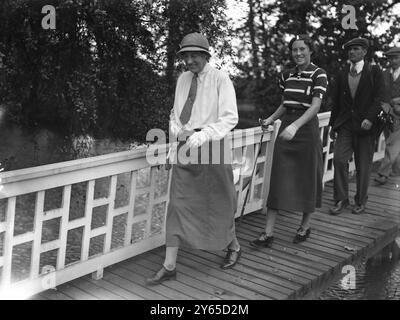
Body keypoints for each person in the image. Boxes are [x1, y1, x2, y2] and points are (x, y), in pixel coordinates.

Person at [146, 33, 241, 285]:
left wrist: (205, 134)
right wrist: (172, 142)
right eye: (186, 56)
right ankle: (169, 266)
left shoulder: (221, 79)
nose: (190, 60)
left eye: (194, 55)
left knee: (218, 202)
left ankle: (233, 245)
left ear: (206, 55)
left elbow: (230, 118)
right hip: (186, 147)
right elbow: (175, 114)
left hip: (213, 146)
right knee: (178, 205)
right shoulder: (183, 79)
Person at [250, 34, 327, 248]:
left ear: (311, 50)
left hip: (305, 129)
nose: (298, 53)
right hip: (287, 128)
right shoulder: (286, 75)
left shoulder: (319, 74)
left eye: (302, 49)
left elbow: (315, 107)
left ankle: (304, 226)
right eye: (295, 50)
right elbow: (285, 104)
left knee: (307, 178)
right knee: (278, 178)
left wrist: (295, 126)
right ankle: (268, 233)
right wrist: (270, 119)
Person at [329, 37, 385, 215]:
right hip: (345, 124)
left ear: (364, 52)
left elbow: (379, 99)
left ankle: (360, 201)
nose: (352, 52)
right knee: (339, 160)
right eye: (350, 49)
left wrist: (370, 118)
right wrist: (333, 125)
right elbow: (336, 102)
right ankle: (341, 199)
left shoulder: (374, 71)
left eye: (356, 48)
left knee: (363, 165)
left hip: (365, 126)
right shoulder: (342, 72)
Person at [374, 47, 400, 185]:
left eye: (396, 58)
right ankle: (396, 169)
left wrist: (398, 100)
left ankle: (383, 173)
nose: (393, 61)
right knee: (391, 141)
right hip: (385, 113)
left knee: (391, 143)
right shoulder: (384, 74)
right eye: (391, 58)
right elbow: (378, 92)